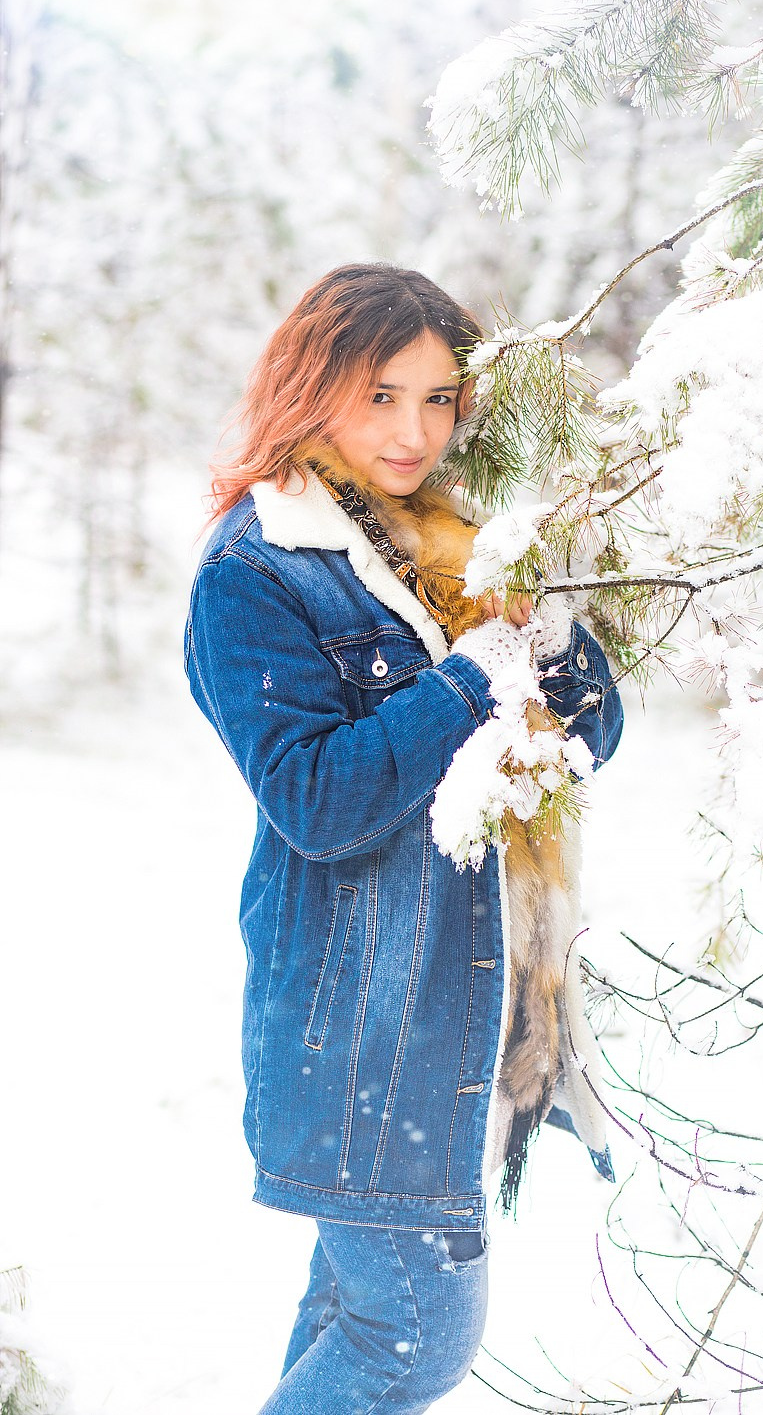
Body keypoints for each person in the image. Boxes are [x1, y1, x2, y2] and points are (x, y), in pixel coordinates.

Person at [184, 262, 624, 1413]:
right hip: (362, 1021)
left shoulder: (463, 544)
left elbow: (589, 734)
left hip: (465, 1002)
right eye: (382, 394)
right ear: (312, 383)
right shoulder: (255, 570)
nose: (414, 430)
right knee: (413, 1332)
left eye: (438, 399)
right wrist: (474, 676)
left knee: (353, 1310)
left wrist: (553, 632)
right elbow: (319, 802)